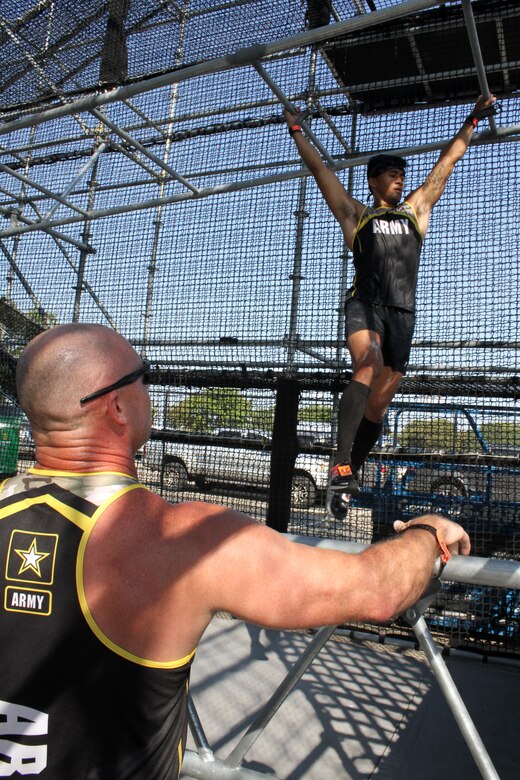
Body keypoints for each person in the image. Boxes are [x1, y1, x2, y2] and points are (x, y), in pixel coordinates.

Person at [0, 323, 471, 778]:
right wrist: (428, 533)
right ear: (118, 406)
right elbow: (375, 591)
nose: (150, 388)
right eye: (143, 375)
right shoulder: (181, 539)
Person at [284, 95, 496, 518]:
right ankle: (340, 462)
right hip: (365, 305)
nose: (400, 179)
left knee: (378, 406)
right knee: (368, 361)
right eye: (390, 174)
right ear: (373, 182)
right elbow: (320, 170)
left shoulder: (416, 211)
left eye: (401, 174)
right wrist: (296, 130)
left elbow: (446, 165)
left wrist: (473, 117)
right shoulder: (356, 216)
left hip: (403, 315)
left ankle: (345, 481)